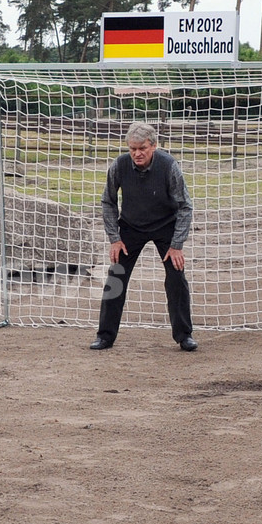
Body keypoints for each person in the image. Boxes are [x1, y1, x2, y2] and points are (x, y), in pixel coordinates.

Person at [91, 121, 198, 352]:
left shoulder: (169, 166)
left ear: (154, 146)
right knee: (116, 275)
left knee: (176, 277)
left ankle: (184, 335)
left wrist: (177, 244)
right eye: (132, 149)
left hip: (165, 226)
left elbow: (185, 206)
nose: (137, 154)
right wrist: (114, 238)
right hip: (131, 226)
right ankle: (105, 336)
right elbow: (108, 201)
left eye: (142, 148)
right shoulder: (119, 165)